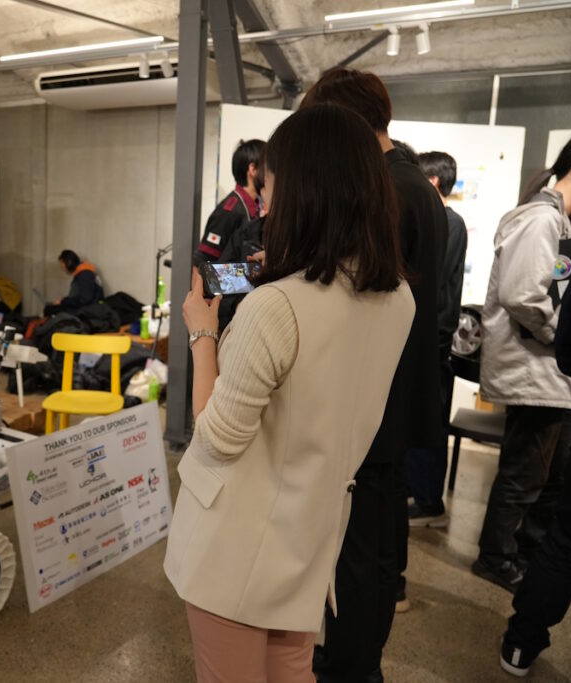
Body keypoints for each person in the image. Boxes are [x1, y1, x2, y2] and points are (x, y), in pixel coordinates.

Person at [164, 103, 415, 683]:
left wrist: (203, 334)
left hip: (236, 542)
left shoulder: (274, 308)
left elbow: (215, 439)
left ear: (302, 193)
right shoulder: (398, 298)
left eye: (271, 191)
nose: (266, 207)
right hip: (311, 534)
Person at [301, 67, 447, 682]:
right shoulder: (416, 185)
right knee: (379, 542)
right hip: (397, 392)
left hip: (372, 398)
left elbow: (356, 293)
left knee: (358, 550)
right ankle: (356, 660)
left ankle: (350, 666)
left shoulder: (387, 191)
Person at [473, 130, 571, 593]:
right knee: (524, 472)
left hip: (550, 371)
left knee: (550, 473)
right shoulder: (541, 220)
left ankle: (531, 548)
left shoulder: (565, 223)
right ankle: (496, 556)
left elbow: (560, 293)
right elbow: (523, 296)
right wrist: (562, 339)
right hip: (533, 368)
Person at [500, 201, 571, 680]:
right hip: (554, 397)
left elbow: (568, 353)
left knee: (567, 542)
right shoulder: (549, 223)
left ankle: (521, 642)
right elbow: (522, 293)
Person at [406, 151, 469, 527]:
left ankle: (430, 501)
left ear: (431, 181)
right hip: (428, 337)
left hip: (435, 341)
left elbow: (433, 279)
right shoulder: (442, 221)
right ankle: (420, 493)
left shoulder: (450, 223)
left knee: (430, 420)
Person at [195, 138, 266, 265]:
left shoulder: (255, 207)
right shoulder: (230, 211)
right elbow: (202, 260)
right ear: (252, 170)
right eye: (268, 168)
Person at [43, 249, 104, 315]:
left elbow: (85, 300)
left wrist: (64, 302)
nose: (63, 270)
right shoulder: (83, 272)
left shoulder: (85, 274)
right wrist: (63, 301)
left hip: (89, 310)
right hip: (86, 307)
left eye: (63, 267)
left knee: (49, 310)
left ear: (69, 262)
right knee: (51, 308)